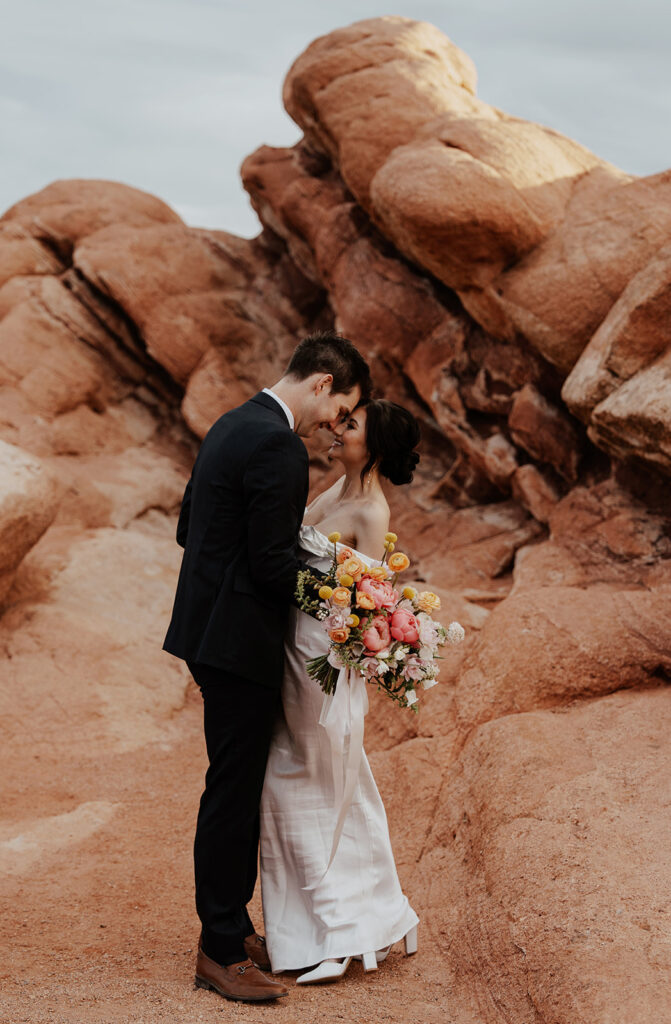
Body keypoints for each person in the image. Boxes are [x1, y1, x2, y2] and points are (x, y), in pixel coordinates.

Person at [163, 331, 371, 1003]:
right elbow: (273, 565)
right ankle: (219, 950)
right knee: (232, 793)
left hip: (208, 631)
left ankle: (232, 926)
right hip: (239, 641)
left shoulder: (232, 422)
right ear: (321, 384)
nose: (334, 426)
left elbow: (188, 526)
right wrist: (344, 603)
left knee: (231, 784)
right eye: (340, 411)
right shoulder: (278, 444)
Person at [260, 399, 421, 983]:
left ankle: (342, 932)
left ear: (372, 446)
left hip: (322, 658)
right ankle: (369, 916)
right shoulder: (333, 489)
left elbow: (364, 603)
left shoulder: (372, 512)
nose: (336, 429)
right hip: (293, 646)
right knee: (317, 777)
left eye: (349, 426)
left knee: (316, 776)